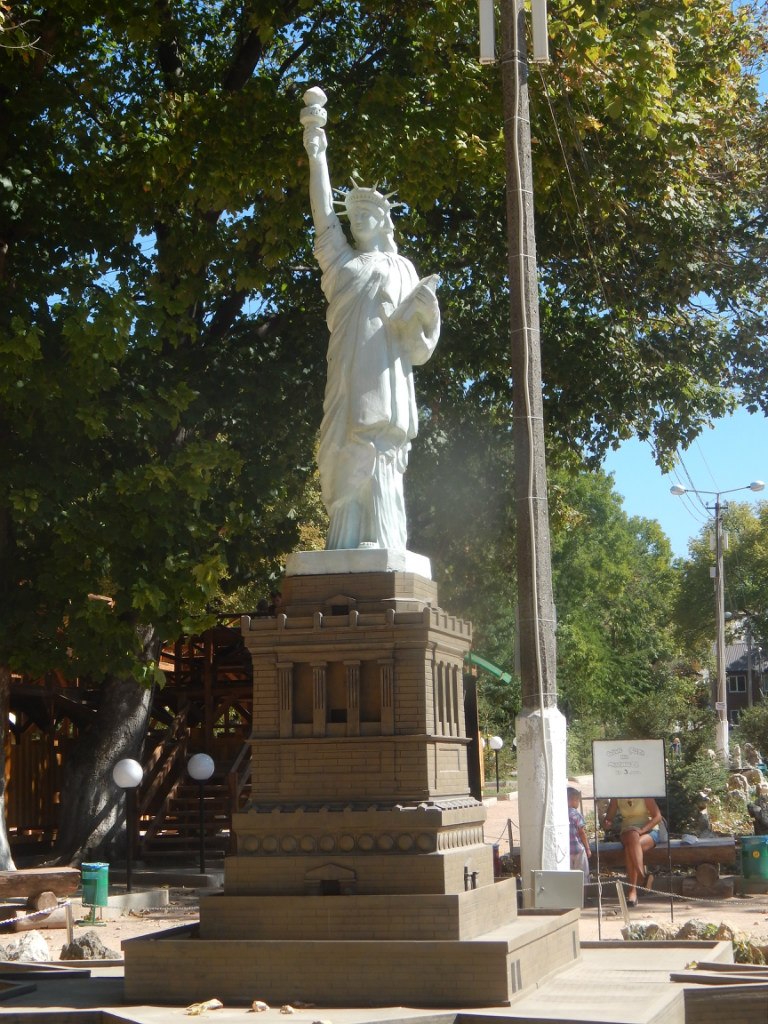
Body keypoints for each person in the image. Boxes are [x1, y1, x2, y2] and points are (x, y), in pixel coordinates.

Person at [301, 87, 440, 551]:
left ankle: (384, 542)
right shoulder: (340, 265)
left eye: (367, 212)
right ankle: (342, 546)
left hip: (384, 392)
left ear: (384, 220)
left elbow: (417, 346)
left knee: (380, 465)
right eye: (353, 212)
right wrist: (316, 152)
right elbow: (323, 218)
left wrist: (424, 313)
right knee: (341, 466)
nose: (357, 218)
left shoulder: (403, 270)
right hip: (344, 384)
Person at [602, 796, 662, 906]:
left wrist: (642, 830)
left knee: (631, 849)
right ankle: (642, 877)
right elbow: (608, 818)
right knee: (632, 836)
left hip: (648, 830)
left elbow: (658, 817)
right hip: (627, 831)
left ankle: (633, 890)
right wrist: (607, 823)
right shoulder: (617, 797)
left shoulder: (645, 794)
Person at [568, 786, 591, 883]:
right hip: (578, 849)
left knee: (570, 877)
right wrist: (588, 848)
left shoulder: (560, 814)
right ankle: (583, 897)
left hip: (567, 851)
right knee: (582, 876)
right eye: (578, 800)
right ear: (573, 800)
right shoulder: (576, 815)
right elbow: (582, 833)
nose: (578, 802)